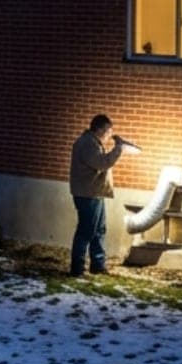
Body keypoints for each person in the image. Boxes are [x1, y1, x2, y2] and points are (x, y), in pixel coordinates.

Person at [69, 114, 126, 276]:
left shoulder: (93, 142)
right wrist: (118, 149)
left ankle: (98, 264)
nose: (109, 134)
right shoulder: (87, 144)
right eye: (108, 131)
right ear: (100, 129)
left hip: (95, 192)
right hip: (87, 194)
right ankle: (77, 268)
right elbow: (102, 163)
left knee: (99, 229)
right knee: (86, 230)